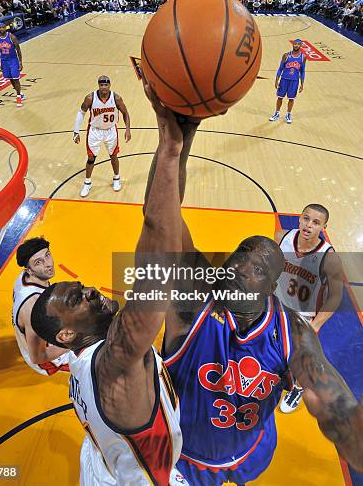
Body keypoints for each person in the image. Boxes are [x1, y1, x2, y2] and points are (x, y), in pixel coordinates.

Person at [141, 98, 363, 485]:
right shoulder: (192, 300)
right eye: (239, 255)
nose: (241, 266)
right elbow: (162, 213)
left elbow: (338, 404)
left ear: (272, 286)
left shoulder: (293, 334)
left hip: (250, 451)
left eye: (258, 267)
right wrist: (178, 139)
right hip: (182, 455)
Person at [31, 87, 188, 485]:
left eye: (79, 287)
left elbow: (155, 221)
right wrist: (170, 150)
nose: (89, 291)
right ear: (67, 332)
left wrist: (178, 135)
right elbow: (156, 269)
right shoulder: (116, 361)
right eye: (75, 298)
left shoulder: (80, 355)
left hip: (104, 461)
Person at [275, 204, 344, 413]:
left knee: (303, 358)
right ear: (299, 219)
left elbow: (335, 297)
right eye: (306, 219)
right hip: (277, 306)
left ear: (324, 227)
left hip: (304, 316)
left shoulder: (329, 258)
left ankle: (297, 387)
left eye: (316, 223)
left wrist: (316, 324)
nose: (309, 225)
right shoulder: (281, 237)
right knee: (273, 345)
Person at [13, 237, 70, 375]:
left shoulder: (24, 278)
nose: (48, 264)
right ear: (30, 270)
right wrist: (78, 341)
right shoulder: (34, 308)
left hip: (43, 334)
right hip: (48, 361)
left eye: (47, 255)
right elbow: (38, 357)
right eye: (39, 262)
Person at [73, 76, 131, 197]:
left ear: (110, 85)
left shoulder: (116, 98)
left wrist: (127, 129)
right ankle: (87, 183)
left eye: (106, 85)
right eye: (101, 85)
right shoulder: (90, 98)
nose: (103, 88)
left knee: (114, 156)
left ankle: (116, 178)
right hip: (95, 131)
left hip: (111, 131)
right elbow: (81, 113)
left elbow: (125, 113)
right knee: (91, 158)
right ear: (98, 85)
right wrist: (76, 131)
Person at [269, 39, 306, 124]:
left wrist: (302, 84)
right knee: (280, 97)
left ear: (300, 46)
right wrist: (276, 80)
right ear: (292, 45)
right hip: (284, 79)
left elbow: (302, 71)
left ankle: (288, 114)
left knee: (291, 99)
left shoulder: (303, 57)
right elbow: (280, 68)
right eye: (295, 44)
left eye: (298, 44)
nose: (296, 45)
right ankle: (277, 113)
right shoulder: (286, 55)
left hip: (294, 81)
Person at [0, 23, 24, 108]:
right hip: (4, 61)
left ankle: (18, 97)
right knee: (10, 78)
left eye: (2, 27)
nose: (1, 29)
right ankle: (21, 94)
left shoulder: (12, 37)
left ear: (5, 28)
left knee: (16, 78)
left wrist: (20, 62)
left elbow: (18, 50)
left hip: (13, 60)